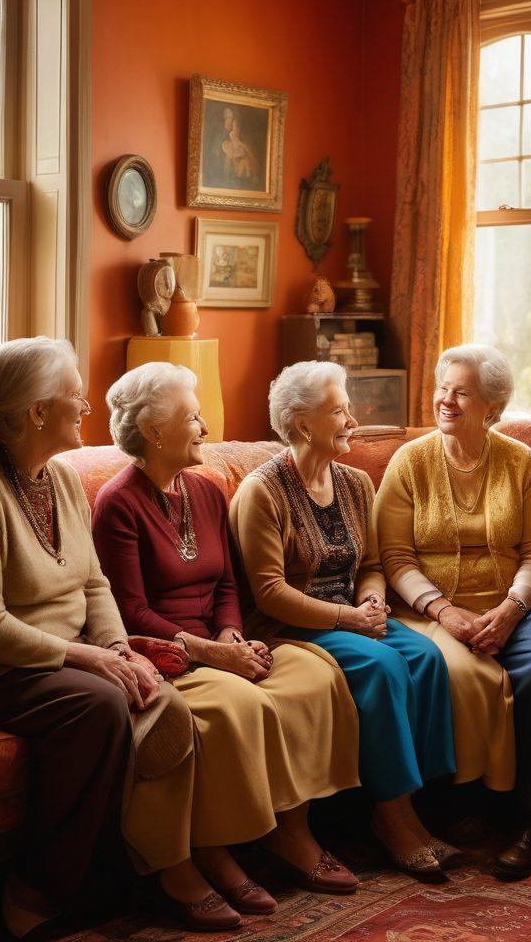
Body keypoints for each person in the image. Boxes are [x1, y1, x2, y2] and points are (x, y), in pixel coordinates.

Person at [0, 338, 204, 937]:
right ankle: (33, 893)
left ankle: (108, 876)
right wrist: (90, 659)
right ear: (38, 412)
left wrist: (117, 650)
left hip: (59, 659)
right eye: (73, 395)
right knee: (98, 704)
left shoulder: (60, 477)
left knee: (134, 688)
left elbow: (94, 584)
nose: (86, 405)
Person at [92, 363, 362, 910]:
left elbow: (227, 585)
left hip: (221, 643)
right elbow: (130, 612)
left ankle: (293, 830)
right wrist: (212, 652)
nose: (206, 428)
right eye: (193, 418)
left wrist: (233, 634)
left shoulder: (208, 492)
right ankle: (214, 849)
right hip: (171, 656)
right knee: (242, 703)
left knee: (314, 675)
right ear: (154, 431)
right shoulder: (117, 503)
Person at [230, 361, 458, 883]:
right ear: (302, 423)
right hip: (291, 624)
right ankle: (392, 818)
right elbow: (268, 594)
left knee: (426, 656)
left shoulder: (355, 483)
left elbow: (373, 566)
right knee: (382, 667)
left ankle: (417, 806)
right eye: (339, 410)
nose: (351, 419)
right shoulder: (261, 493)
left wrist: (372, 603)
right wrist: (349, 618)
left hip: (354, 615)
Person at [375, 344, 531, 881]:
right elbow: (394, 557)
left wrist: (512, 607)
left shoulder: (519, 461)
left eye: (462, 392)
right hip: (430, 608)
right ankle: (462, 806)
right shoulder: (410, 461)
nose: (446, 400)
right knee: (458, 672)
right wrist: (442, 610)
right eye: (444, 388)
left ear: (492, 406)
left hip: (516, 603)